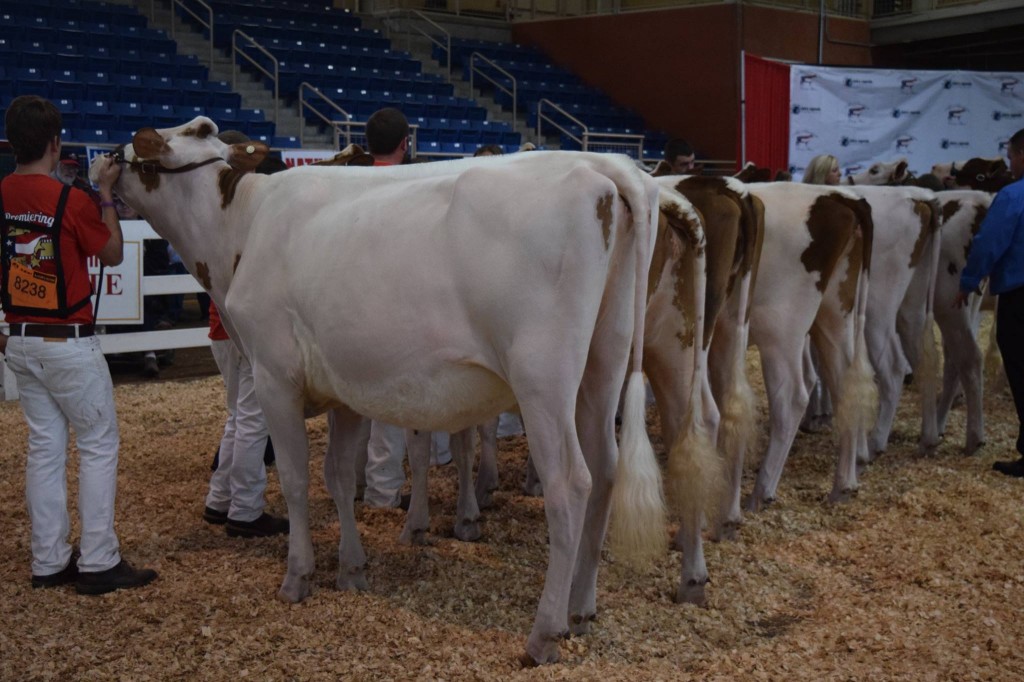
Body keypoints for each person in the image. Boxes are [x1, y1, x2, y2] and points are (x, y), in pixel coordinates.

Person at [0, 95, 157, 594]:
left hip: (20, 340)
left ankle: (48, 561)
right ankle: (99, 560)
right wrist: (105, 194)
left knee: (45, 449)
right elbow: (111, 253)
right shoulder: (70, 200)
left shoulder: (3, 194)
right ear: (55, 143)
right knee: (97, 445)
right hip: (67, 340)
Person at [202, 130, 289, 537]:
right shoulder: (253, 210)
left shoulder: (213, 210)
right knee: (254, 418)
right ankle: (245, 509)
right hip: (247, 323)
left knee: (240, 416)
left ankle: (220, 499)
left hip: (222, 324)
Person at [956, 127, 1024, 477]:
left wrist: (970, 280)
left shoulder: (1013, 196)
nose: (1010, 164)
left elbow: (989, 242)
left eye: (1011, 156)